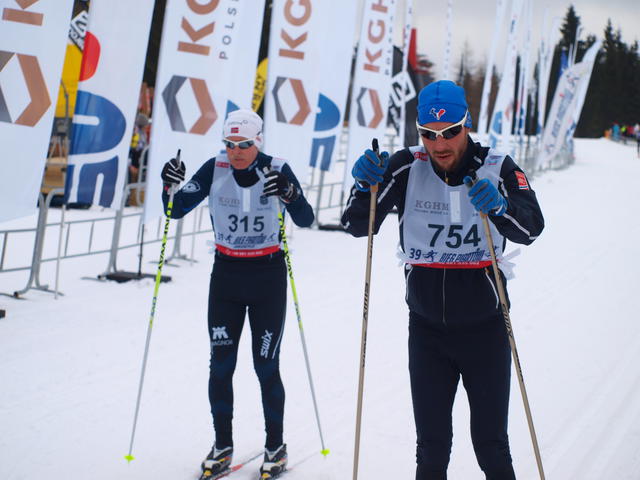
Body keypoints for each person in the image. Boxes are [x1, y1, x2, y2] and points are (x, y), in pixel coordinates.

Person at [341, 80, 544, 480]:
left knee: (492, 447)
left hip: (486, 330)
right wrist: (365, 186)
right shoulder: (405, 165)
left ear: (467, 124)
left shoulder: (498, 166)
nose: (440, 144)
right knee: (431, 451)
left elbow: (532, 227)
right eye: (428, 134)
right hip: (427, 332)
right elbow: (356, 224)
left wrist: (501, 207)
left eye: (450, 131)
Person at [160, 109, 314, 480]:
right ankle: (222, 445)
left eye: (244, 144)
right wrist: (169, 185)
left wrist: (290, 193)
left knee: (265, 366)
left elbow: (306, 218)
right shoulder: (214, 168)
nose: (236, 152)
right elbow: (174, 210)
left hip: (267, 278)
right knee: (221, 365)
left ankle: (275, 446)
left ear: (258, 141)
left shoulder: (276, 169)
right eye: (229, 144)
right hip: (227, 279)